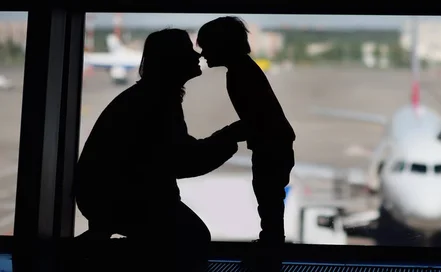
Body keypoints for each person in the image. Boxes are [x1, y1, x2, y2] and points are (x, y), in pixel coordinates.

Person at [74, 28, 247, 271]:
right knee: (192, 240)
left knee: (186, 239)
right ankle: (88, 255)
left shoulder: (149, 96)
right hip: (120, 197)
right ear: (172, 60)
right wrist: (230, 137)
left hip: (108, 194)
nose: (197, 56)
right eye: (188, 51)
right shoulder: (156, 102)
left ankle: (90, 250)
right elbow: (183, 161)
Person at [196, 17, 296, 268]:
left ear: (223, 46)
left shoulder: (240, 74)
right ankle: (270, 247)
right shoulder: (243, 69)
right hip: (273, 145)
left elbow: (255, 120)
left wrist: (223, 136)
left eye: (207, 46)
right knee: (269, 200)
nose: (203, 53)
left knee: (268, 200)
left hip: (271, 147)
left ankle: (270, 250)